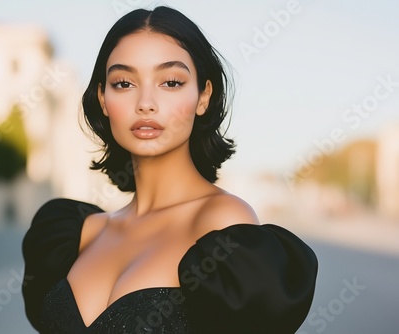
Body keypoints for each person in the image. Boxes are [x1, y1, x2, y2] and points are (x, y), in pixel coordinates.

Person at [22, 6, 318, 334]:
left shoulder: (223, 226)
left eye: (171, 82)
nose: (145, 102)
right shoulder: (73, 234)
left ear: (203, 96)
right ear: (103, 99)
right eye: (123, 83)